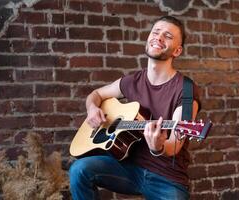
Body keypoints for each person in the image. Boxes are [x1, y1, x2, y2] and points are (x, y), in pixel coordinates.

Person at [69, 15, 200, 200]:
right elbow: (96, 95)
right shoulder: (132, 81)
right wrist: (92, 108)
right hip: (127, 169)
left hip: (166, 178)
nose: (159, 37)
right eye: (155, 32)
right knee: (79, 170)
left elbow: (175, 144)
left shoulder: (186, 89)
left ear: (177, 51)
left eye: (168, 36)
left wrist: (158, 148)